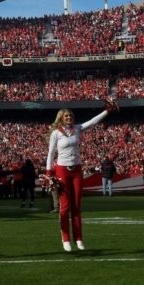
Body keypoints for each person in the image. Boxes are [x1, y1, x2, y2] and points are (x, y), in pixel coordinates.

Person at [45, 100, 116, 252]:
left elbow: (92, 122)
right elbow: (51, 153)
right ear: (61, 118)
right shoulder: (56, 133)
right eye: (66, 116)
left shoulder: (77, 129)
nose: (69, 118)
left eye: (71, 115)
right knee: (64, 207)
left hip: (77, 170)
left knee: (77, 206)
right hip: (62, 170)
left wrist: (107, 112)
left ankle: (78, 238)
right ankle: (65, 238)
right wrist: (48, 172)